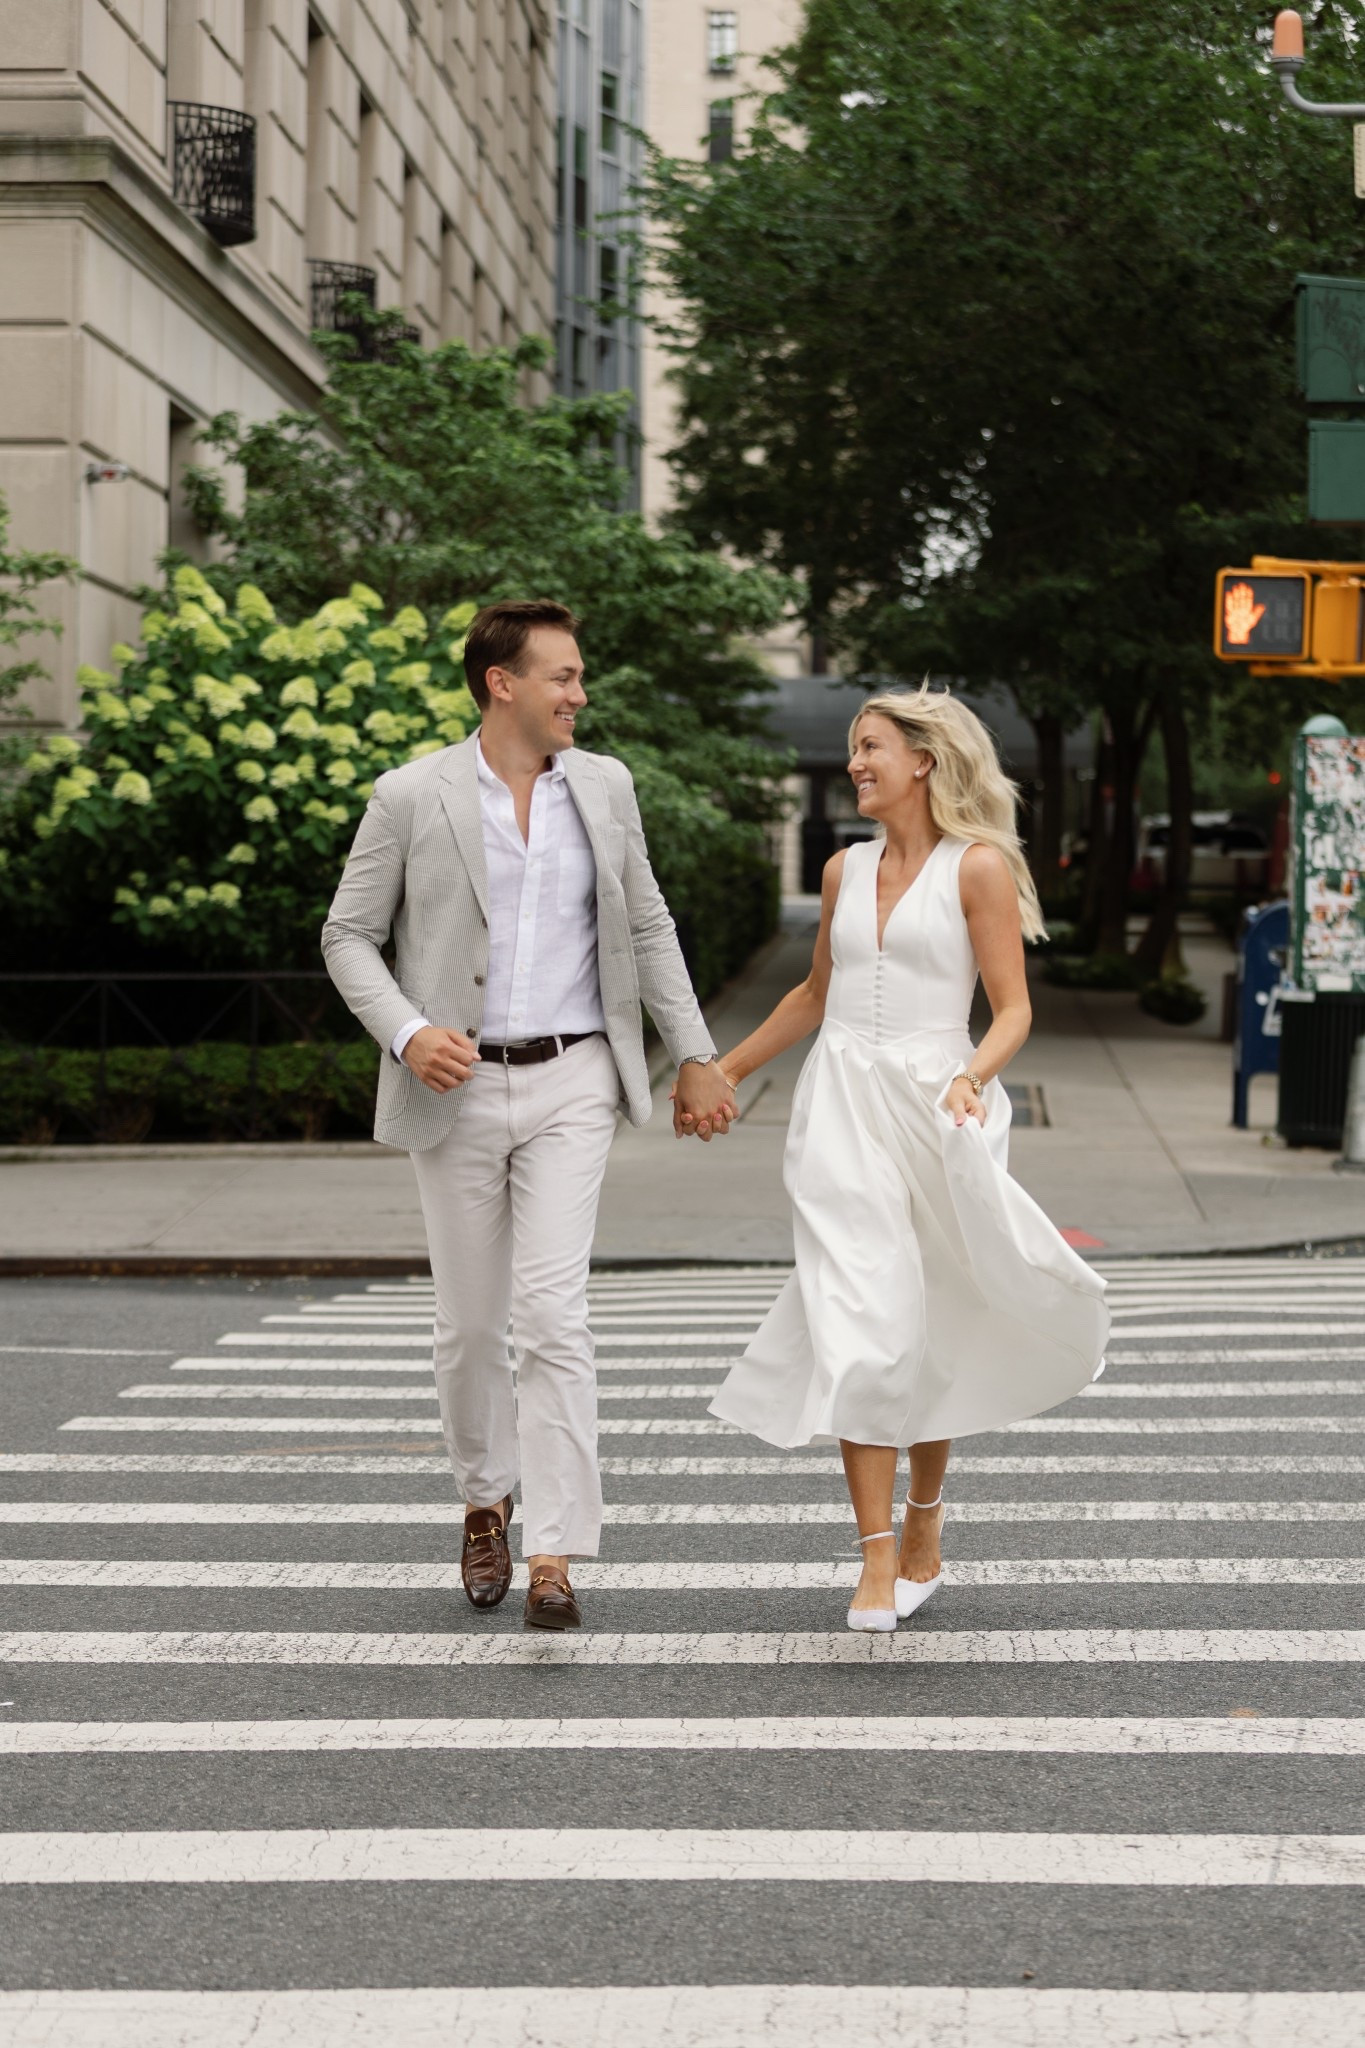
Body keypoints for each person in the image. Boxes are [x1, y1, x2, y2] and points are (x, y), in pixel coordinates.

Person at [322, 599, 737, 1631]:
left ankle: (555, 1544)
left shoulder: (604, 786)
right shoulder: (410, 793)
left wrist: (693, 1052)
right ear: (502, 681)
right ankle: (483, 1498)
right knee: (470, 1326)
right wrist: (410, 1030)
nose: (579, 694)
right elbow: (347, 935)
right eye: (562, 675)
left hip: (573, 1078)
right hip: (453, 1087)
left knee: (553, 1316)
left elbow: (646, 920)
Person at [705, 685, 1109, 1631]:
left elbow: (1012, 1008)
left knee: (935, 1323)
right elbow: (812, 995)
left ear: (923, 760)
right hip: (841, 1104)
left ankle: (925, 1522)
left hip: (939, 1105)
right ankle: (876, 1560)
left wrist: (972, 1076)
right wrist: (720, 1072)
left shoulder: (978, 870)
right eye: (852, 748)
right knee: (860, 1322)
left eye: (870, 746)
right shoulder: (843, 871)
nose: (855, 763)